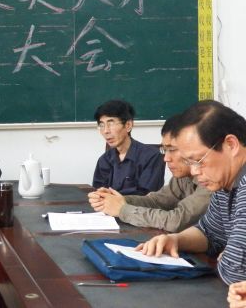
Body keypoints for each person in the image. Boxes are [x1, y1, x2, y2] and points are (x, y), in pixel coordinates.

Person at [138, 100, 246, 285]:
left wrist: (228, 256)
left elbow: (236, 271)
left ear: (231, 144)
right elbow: (209, 233)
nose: (194, 171)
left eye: (198, 160)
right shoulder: (223, 183)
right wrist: (175, 240)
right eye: (189, 162)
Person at [88, 114, 211, 232]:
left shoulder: (211, 179)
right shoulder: (182, 177)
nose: (166, 158)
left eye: (172, 150)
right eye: (165, 150)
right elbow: (156, 201)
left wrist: (123, 210)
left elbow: (176, 221)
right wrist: (117, 200)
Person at [92, 99, 165, 195]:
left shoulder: (152, 156)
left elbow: (148, 196)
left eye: (111, 124)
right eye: (101, 125)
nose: (106, 131)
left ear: (128, 125)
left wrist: (115, 198)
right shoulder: (104, 160)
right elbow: (98, 192)